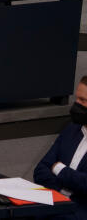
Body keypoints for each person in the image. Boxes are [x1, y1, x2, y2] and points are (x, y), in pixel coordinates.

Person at [33, 76, 87, 211]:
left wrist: (59, 169)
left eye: (83, 100)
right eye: (77, 98)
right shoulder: (71, 129)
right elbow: (40, 171)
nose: (76, 104)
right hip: (55, 203)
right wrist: (64, 187)